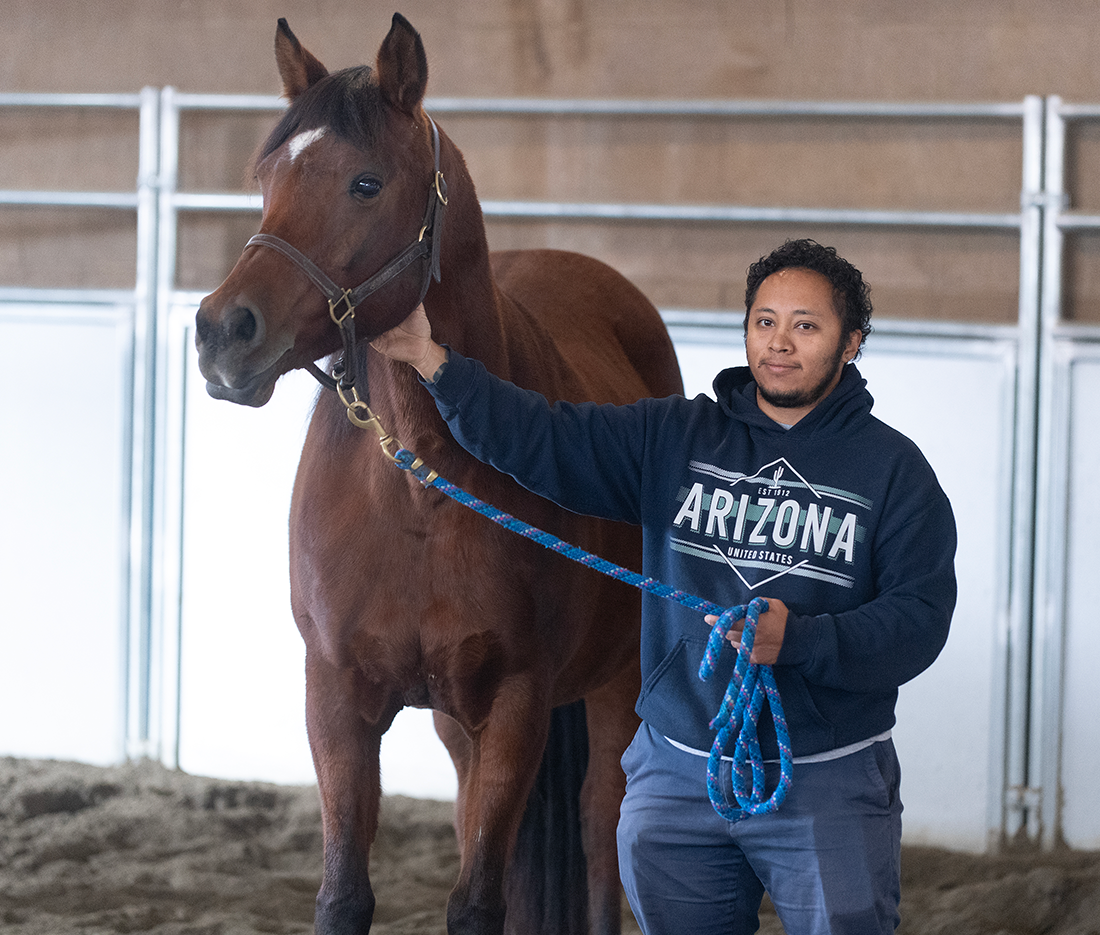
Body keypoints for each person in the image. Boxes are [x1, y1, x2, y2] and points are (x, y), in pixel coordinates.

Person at [372, 239, 957, 935]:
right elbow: (543, 438)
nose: (779, 343)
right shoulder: (674, 437)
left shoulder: (894, 473)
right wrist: (429, 359)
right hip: (676, 776)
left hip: (824, 782)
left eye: (806, 325)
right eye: (765, 321)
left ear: (851, 342)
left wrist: (799, 639)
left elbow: (919, 620)